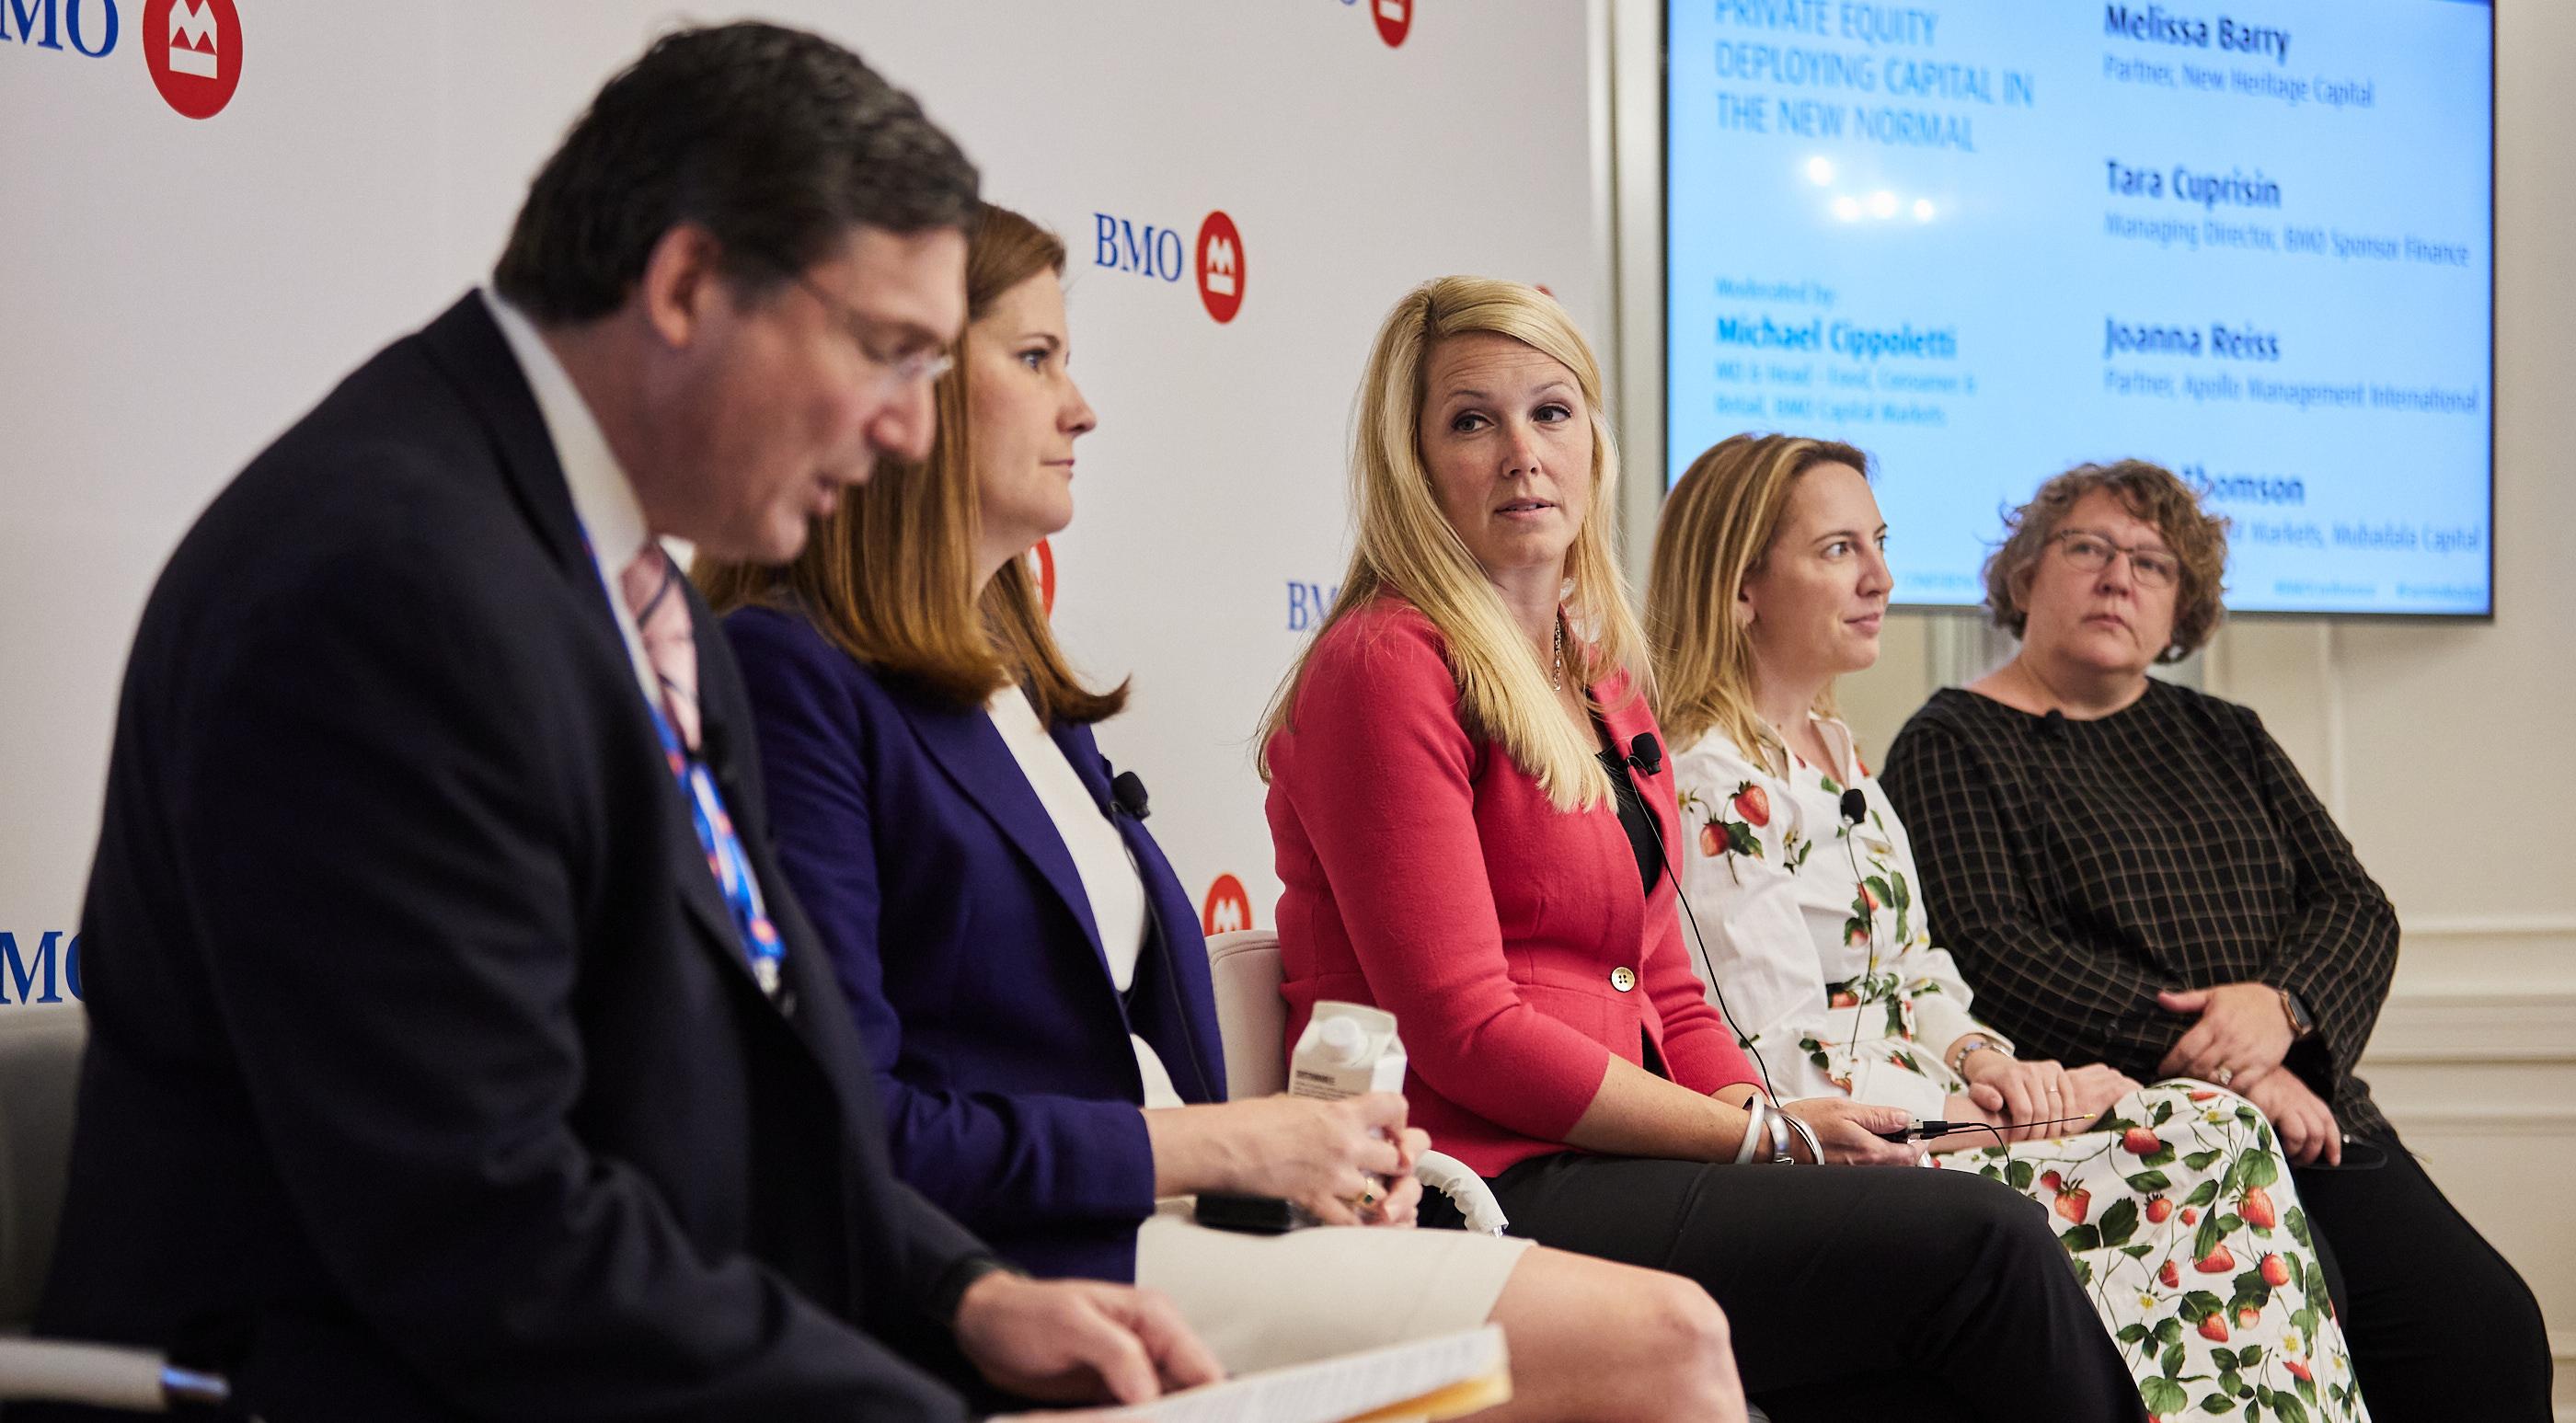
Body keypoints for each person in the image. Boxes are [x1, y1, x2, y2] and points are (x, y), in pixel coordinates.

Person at [27, 27, 1218, 1422]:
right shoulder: (383, 588)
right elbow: (484, 1231)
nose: (910, 430)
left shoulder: (647, 602)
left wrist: (965, 1294)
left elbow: (769, 1118)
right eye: (890, 352)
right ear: (688, 283)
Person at [698, 203, 1749, 1423]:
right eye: (1036, 359)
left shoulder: (1020, 681)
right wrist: (1231, 1145)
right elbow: (853, 1125)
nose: (1081, 406)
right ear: (900, 392)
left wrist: (1318, 1156)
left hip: (1177, 1212)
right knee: (1665, 1336)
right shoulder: (791, 674)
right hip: (1018, 1258)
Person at [1257, 276, 2148, 1423]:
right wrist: (1758, 1131)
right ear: (1414, 462)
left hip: (1615, 1162)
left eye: (1552, 412)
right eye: (1471, 420)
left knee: (1926, 1284)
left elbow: (1669, 981)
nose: (1524, 452)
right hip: (1477, 1178)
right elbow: (1467, 1032)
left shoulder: (1599, 678)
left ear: (1594, 442)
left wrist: (1769, 1131)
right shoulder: (1388, 662)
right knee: (1982, 1243)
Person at [1646, 433, 2374, 1422]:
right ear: (1740, 586)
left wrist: (1996, 1063)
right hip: (1846, 1150)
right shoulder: (1705, 778)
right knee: (2205, 1137)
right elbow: (1779, 1062)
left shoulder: (1833, 753)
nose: (1881, 575)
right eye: (1837, 549)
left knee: (2213, 1124)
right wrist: (1992, 1112)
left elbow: (1919, 970)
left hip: (1929, 1107)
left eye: (1880, 540)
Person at [1881, 458, 2554, 1422]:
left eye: (2152, 564)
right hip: (2138, 1134)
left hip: (2310, 1106)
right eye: (2088, 548)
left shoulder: (2225, 731)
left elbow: (2354, 904)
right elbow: (1992, 950)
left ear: (2177, 610)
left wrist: (2279, 1010)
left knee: (2481, 1327)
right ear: (2024, 575)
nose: (2119, 576)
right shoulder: (1950, 741)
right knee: (2307, 1328)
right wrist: (2226, 1066)